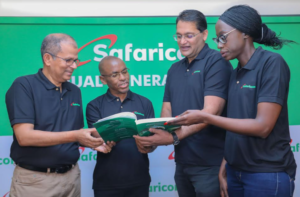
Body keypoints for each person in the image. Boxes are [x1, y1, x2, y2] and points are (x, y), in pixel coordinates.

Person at [167, 5, 297, 197]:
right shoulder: (234, 73)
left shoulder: (271, 63)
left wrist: (205, 117)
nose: (219, 44)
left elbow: (263, 127)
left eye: (223, 37)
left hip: (267, 173)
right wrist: (225, 164)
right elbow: (233, 126)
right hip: (235, 172)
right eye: (217, 39)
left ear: (244, 33)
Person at [134, 10, 232, 197]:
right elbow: (167, 110)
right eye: (178, 36)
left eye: (189, 35)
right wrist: (154, 138)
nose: (182, 41)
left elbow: (211, 112)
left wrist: (173, 138)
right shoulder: (174, 69)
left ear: (204, 35)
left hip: (211, 165)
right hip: (182, 164)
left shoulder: (216, 62)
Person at [5, 33, 105, 197]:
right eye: (68, 60)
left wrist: (93, 141)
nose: (74, 66)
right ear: (48, 59)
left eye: (75, 60)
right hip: (36, 182)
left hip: (72, 178)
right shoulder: (24, 86)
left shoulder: (74, 91)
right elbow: (24, 136)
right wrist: (76, 135)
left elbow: (73, 134)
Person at [86, 56, 155, 197]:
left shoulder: (145, 103)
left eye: (125, 71)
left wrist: (150, 145)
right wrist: (105, 142)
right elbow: (98, 138)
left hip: (139, 181)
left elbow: (153, 139)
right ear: (103, 80)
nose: (123, 78)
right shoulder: (94, 106)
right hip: (106, 183)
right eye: (115, 75)